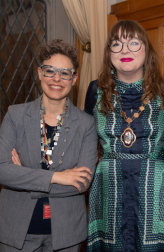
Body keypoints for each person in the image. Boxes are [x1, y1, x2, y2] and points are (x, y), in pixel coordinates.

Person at [84, 20, 164, 252]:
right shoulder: (95, 90)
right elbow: (83, 140)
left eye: (134, 43)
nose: (125, 50)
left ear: (147, 50)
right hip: (108, 191)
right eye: (117, 44)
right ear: (109, 53)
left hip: (156, 193)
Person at [0, 39, 98, 251]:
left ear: (74, 79)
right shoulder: (15, 116)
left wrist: (23, 176)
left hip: (66, 233)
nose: (56, 78)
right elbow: (2, 171)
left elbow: (81, 183)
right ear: (39, 73)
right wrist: (58, 177)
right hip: (15, 230)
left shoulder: (87, 124)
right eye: (50, 70)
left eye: (65, 73)